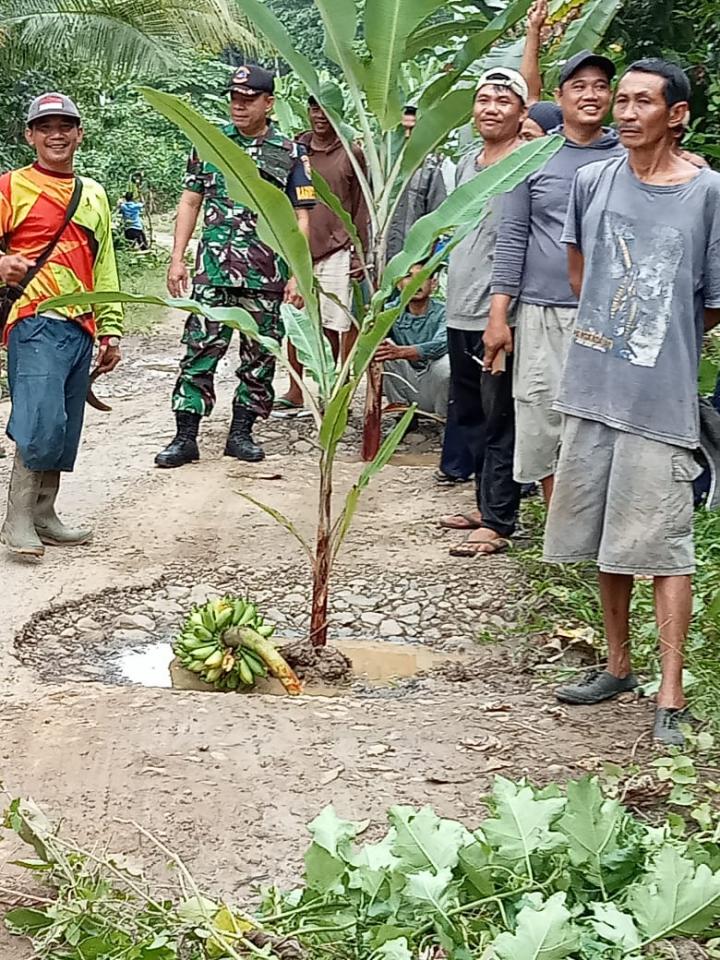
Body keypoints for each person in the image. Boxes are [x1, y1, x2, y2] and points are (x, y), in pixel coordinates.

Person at [543, 60, 720, 746]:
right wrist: (614, 332)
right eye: (620, 99)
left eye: (642, 101)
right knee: (605, 538)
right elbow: (583, 271)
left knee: (665, 546)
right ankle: (617, 664)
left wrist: (654, 338)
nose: (623, 110)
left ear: (676, 115)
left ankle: (669, 693)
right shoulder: (593, 181)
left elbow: (710, 302)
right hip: (592, 390)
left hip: (659, 399)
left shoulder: (707, 192)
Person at [155, 65, 315, 468]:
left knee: (259, 356)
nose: (238, 106)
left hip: (267, 275)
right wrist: (178, 258)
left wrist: (298, 273)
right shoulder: (210, 144)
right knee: (199, 350)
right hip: (214, 269)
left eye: (248, 100)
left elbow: (301, 216)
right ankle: (185, 436)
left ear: (269, 103)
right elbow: (190, 201)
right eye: (234, 99)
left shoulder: (291, 152)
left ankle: (241, 433)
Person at [485, 49, 624, 504]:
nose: (591, 95)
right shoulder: (532, 158)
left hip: (611, 315)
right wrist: (498, 318)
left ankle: (597, 523)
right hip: (544, 310)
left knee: (603, 420)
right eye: (579, 86)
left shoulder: (629, 156)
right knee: (542, 414)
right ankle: (560, 530)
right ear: (559, 97)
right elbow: (511, 239)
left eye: (601, 86)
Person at [0, 92, 123, 559]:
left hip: (80, 325)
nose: (56, 134)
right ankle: (16, 521)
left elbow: (104, 262)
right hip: (33, 320)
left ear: (79, 133)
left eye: (65, 126)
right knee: (40, 420)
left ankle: (44, 514)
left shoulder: (93, 193)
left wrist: (110, 326)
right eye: (45, 126)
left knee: (65, 425)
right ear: (29, 135)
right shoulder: (10, 187)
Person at [438, 68, 529, 557]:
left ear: (521, 111)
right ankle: (483, 504)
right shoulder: (468, 164)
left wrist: (503, 316)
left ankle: (498, 520)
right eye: (484, 100)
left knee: (500, 418)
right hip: (459, 309)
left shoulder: (524, 161)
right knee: (470, 413)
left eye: (503, 100)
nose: (491, 108)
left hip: (498, 316)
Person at [273, 84, 369, 417]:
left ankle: (330, 388)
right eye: (313, 108)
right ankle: (295, 390)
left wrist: (360, 252)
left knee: (332, 323)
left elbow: (360, 207)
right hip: (299, 248)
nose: (319, 116)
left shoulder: (351, 153)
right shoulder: (294, 149)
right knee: (295, 322)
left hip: (337, 247)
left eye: (325, 109)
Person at [378, 263, 449, 416]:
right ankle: (402, 415)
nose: (415, 283)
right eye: (408, 276)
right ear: (398, 284)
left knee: (447, 365)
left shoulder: (444, 311)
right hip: (406, 376)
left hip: (433, 378)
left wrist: (401, 352)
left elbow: (442, 344)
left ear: (433, 284)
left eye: (422, 277)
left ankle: (444, 418)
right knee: (382, 352)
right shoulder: (389, 312)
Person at [385, 105, 447, 263]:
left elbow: (437, 216)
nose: (407, 135)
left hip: (413, 261)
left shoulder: (430, 168)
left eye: (412, 129)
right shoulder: (382, 165)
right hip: (378, 256)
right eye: (402, 129)